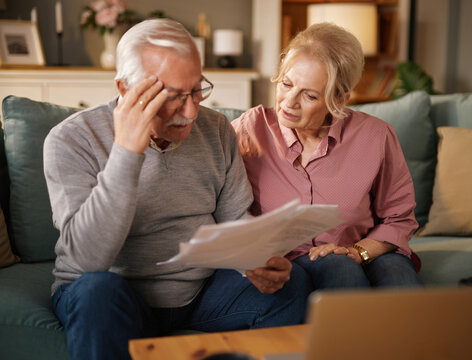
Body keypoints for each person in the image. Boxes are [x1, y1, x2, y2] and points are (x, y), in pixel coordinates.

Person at [43, 19, 311, 360]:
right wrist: (127, 152)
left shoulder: (216, 129)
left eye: (197, 89)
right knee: (98, 292)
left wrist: (256, 261)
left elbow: (234, 219)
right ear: (126, 89)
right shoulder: (72, 139)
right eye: (172, 97)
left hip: (200, 293)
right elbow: (88, 260)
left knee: (293, 283)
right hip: (111, 291)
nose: (190, 111)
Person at [232, 22, 423, 291]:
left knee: (401, 285)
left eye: (309, 95)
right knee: (340, 269)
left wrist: (358, 252)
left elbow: (398, 219)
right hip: (289, 262)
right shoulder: (250, 128)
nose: (289, 102)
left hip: (365, 251)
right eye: (286, 84)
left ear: (339, 99)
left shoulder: (376, 136)